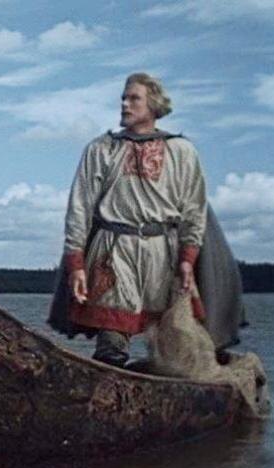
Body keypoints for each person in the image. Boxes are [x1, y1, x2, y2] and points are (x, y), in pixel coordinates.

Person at [61, 73, 207, 367]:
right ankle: (108, 383)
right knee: (112, 337)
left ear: (153, 103)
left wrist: (188, 258)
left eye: (134, 98)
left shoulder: (181, 151)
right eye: (123, 98)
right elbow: (80, 206)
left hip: (162, 250)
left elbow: (194, 208)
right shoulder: (102, 148)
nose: (125, 104)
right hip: (114, 249)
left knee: (175, 341)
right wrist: (76, 263)